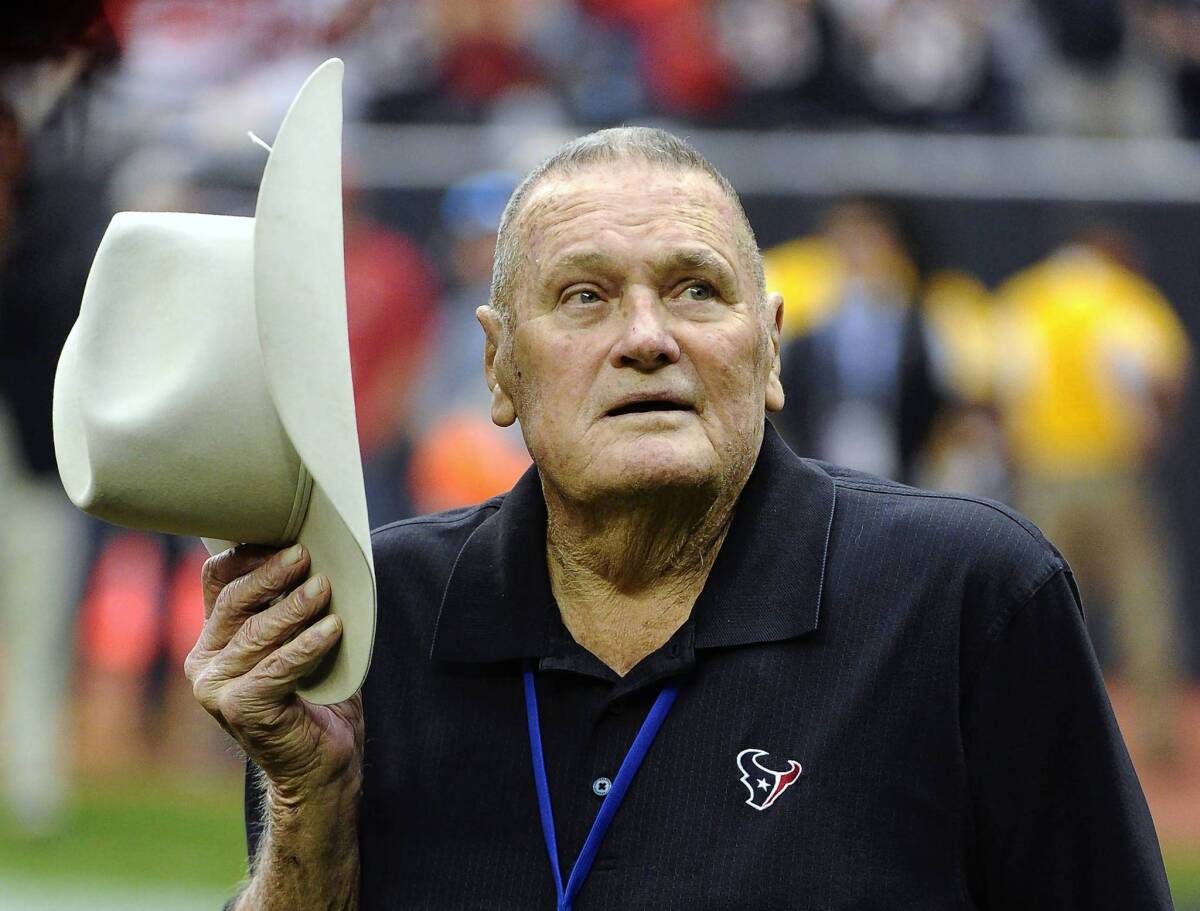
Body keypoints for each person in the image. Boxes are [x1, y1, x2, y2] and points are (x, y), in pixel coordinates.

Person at [189, 128, 1172, 910]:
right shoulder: (379, 618)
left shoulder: (967, 596)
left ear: (772, 350)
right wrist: (309, 803)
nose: (648, 338)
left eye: (696, 290)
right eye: (584, 297)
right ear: (498, 366)